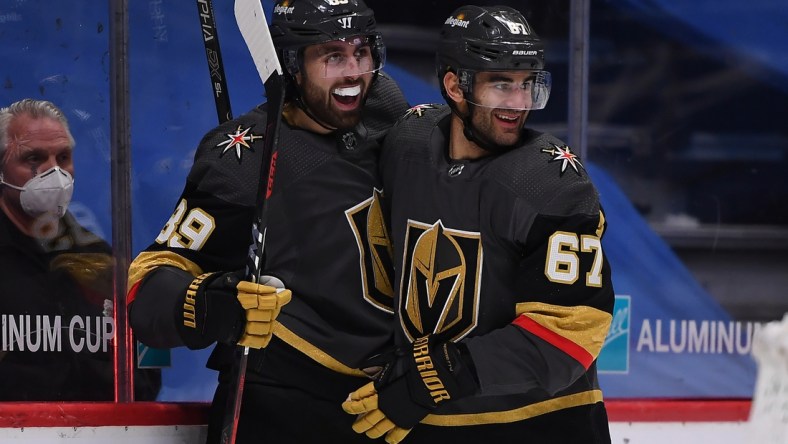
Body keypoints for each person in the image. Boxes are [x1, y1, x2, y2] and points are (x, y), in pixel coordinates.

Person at [127, 0, 408, 442]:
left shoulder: (387, 118)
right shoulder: (243, 156)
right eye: (332, 56)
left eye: (362, 51)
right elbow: (148, 289)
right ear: (291, 65)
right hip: (283, 404)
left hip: (385, 408)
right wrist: (214, 304)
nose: (354, 70)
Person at [342, 5, 614, 444]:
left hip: (542, 425)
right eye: (501, 84)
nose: (519, 103)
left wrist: (442, 372)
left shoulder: (550, 181)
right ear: (455, 85)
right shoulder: (408, 143)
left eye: (528, 85)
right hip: (427, 422)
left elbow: (571, 332)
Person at [0, 98, 158, 401]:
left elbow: (149, 369)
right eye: (33, 158)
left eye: (63, 157)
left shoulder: (100, 258)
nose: (53, 172)